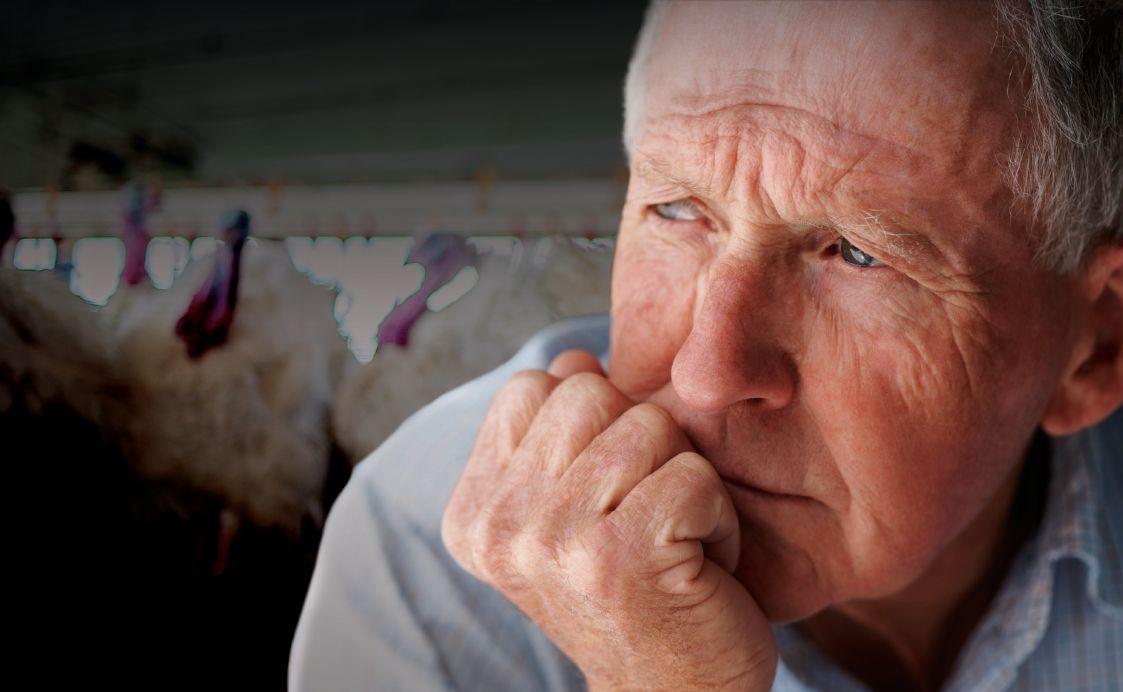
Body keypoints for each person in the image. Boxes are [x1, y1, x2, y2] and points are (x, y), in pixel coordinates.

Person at [289, 1, 1123, 689]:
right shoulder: (431, 555)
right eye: (677, 212)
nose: (705, 374)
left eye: (859, 255)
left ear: (1095, 347)